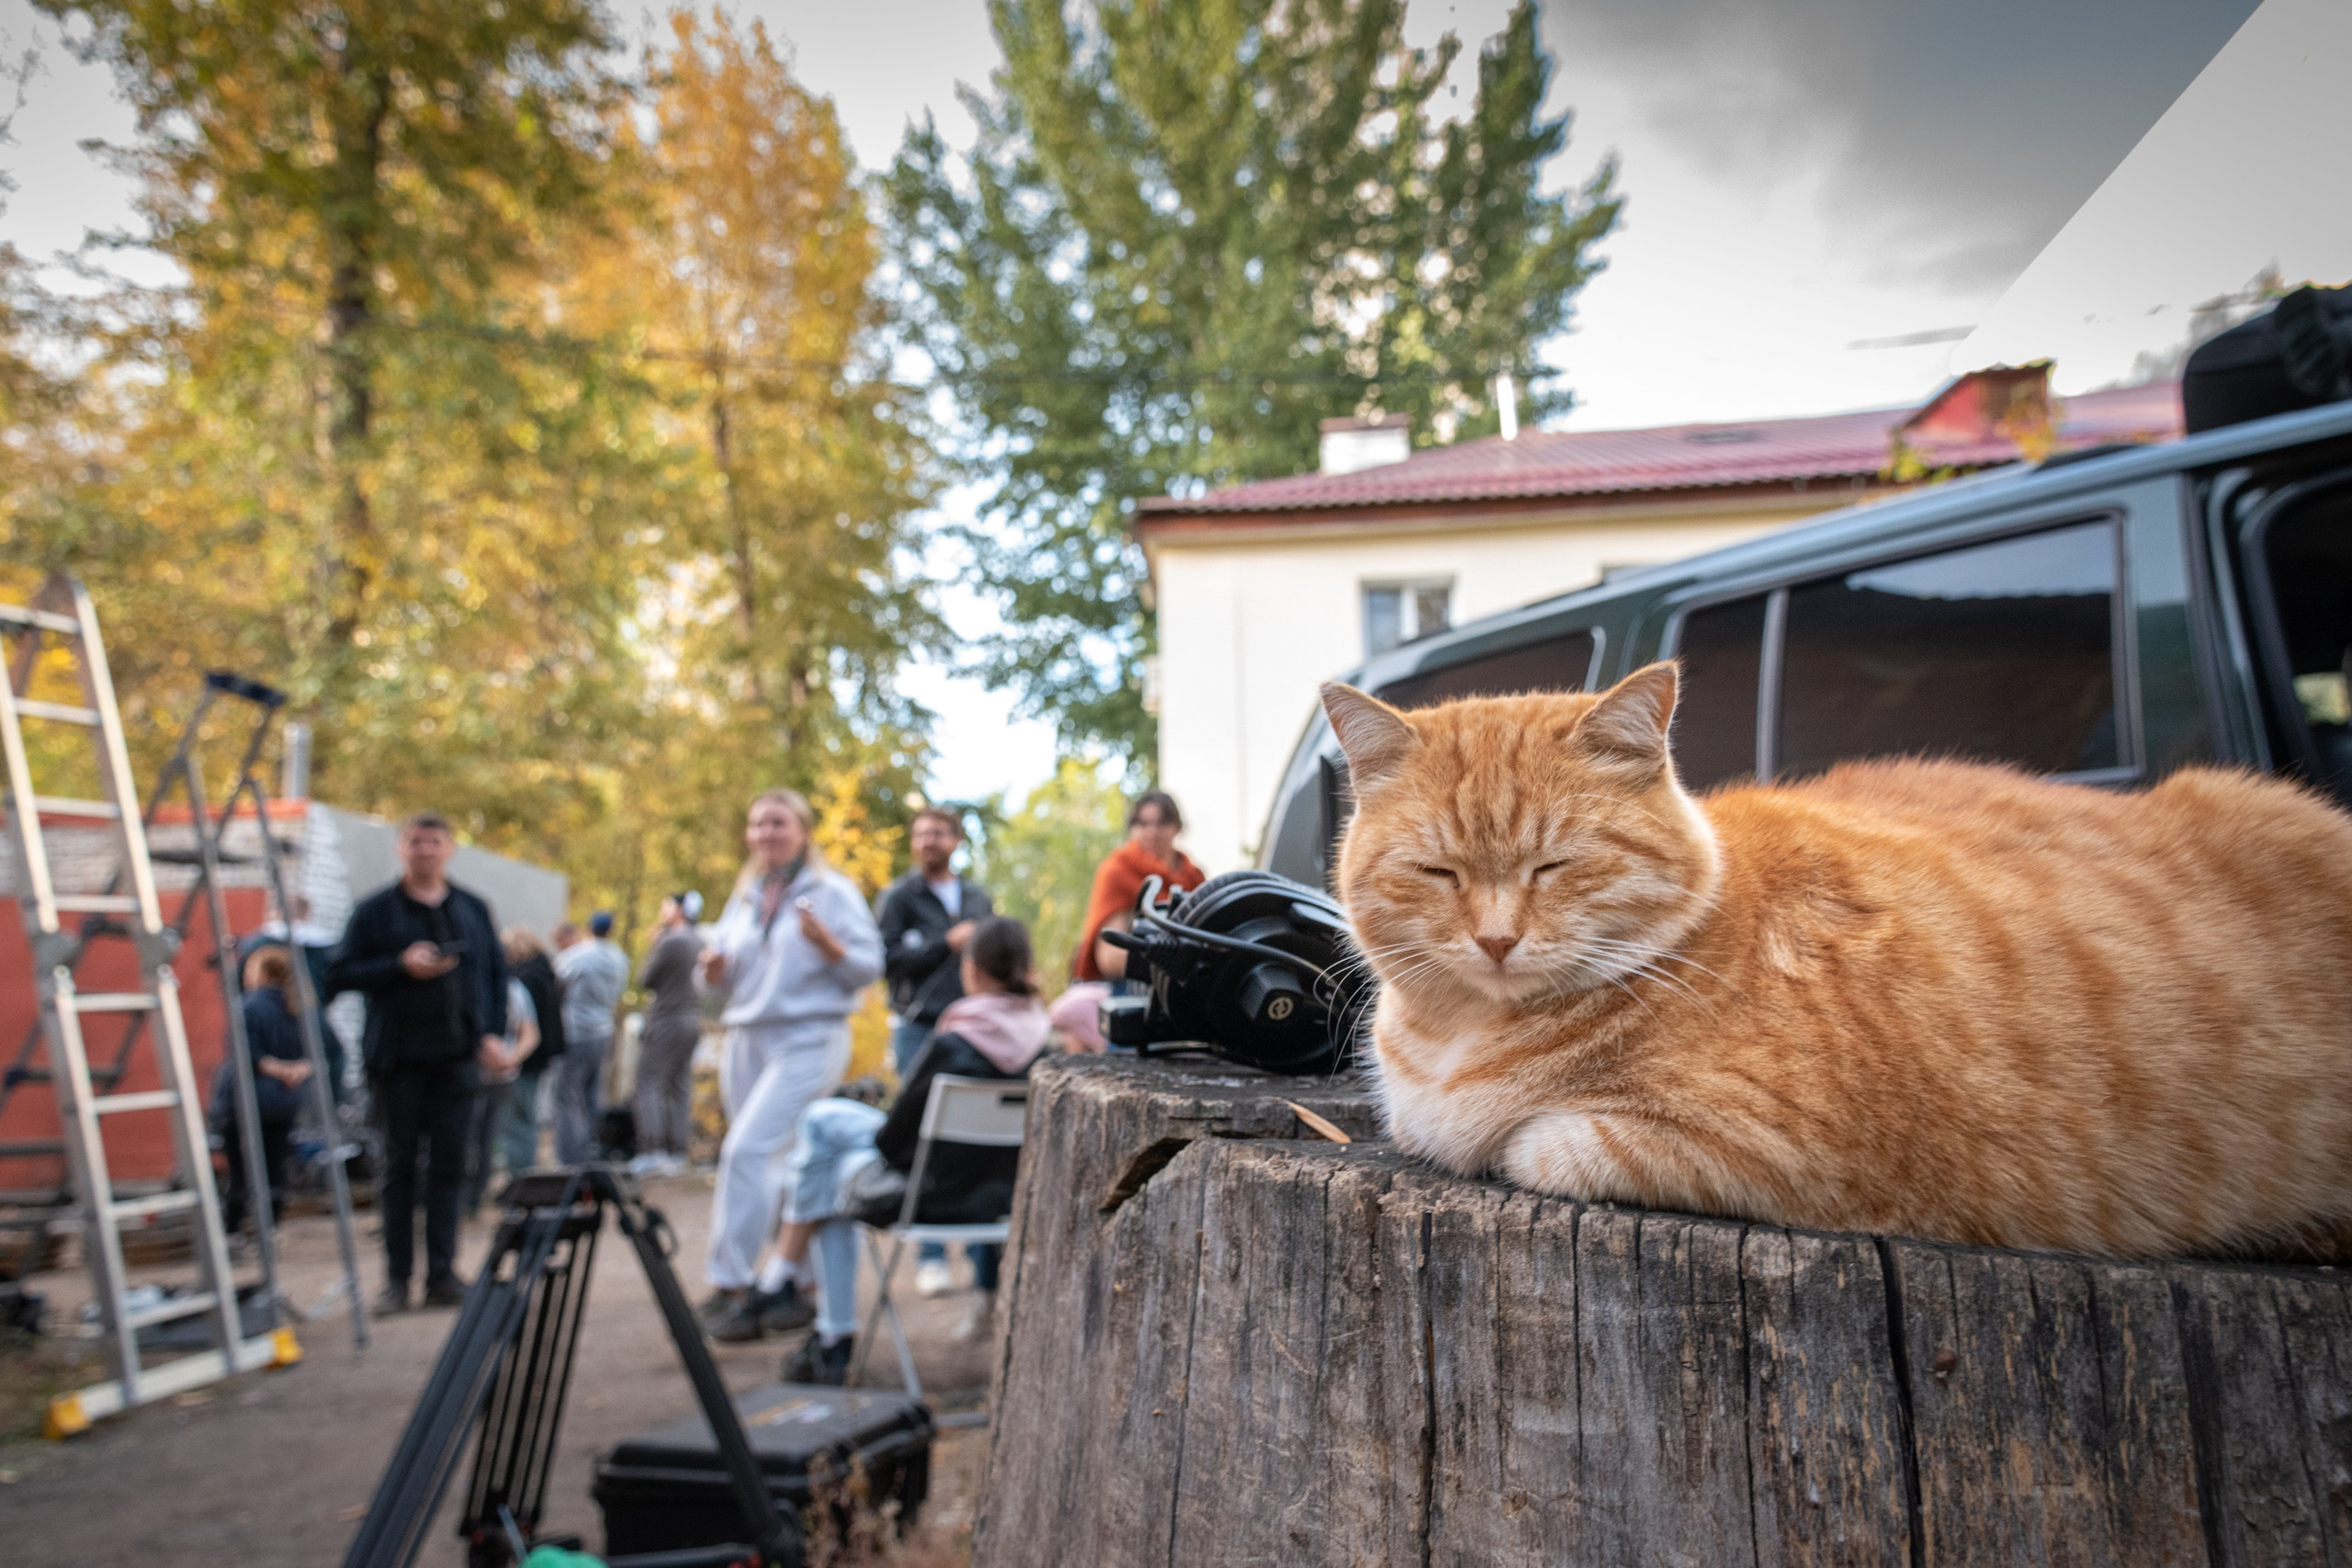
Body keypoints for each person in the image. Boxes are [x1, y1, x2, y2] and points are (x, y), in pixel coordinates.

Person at [764, 916, 1051, 1382]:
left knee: (827, 1167)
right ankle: (788, 1289)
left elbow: (893, 1145)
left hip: (930, 1198)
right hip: (1001, 1204)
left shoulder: (957, 1040)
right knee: (823, 1125)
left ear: (972, 969)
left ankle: (824, 1328)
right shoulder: (1047, 1047)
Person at [695, 787, 883, 1344]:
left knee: (746, 1151)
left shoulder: (832, 892)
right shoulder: (748, 894)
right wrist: (710, 968)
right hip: (748, 1035)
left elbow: (869, 967)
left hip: (809, 1035)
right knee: (783, 1162)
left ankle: (732, 1282)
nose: (765, 835)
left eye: (777, 824)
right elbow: (717, 981)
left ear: (802, 831)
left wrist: (829, 946)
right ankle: (798, 1288)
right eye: (757, 825)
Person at [327, 811, 507, 1314]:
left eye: (433, 842)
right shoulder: (375, 912)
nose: (424, 850)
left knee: (452, 1166)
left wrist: (490, 1034)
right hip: (397, 1062)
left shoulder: (472, 909)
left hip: (456, 1060)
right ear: (401, 849)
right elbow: (339, 974)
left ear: (449, 849)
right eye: (415, 842)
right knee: (399, 1167)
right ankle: (396, 1279)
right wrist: (399, 966)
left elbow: (493, 975)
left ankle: (443, 1274)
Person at [873, 807, 996, 1297]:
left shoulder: (977, 897)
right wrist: (945, 943)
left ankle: (979, 1256)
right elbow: (888, 961)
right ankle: (930, 1255)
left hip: (974, 1029)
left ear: (956, 840)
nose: (928, 840)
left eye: (938, 832)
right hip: (919, 1028)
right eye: (921, 833)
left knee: (974, 1135)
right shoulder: (899, 897)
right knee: (919, 1133)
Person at [212, 947, 313, 1236]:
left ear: (262, 973)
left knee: (240, 1170)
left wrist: (279, 1069)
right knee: (276, 1165)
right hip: (285, 1101)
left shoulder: (248, 1006)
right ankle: (269, 1229)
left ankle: (233, 1231)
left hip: (244, 1100)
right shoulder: (302, 1006)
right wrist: (296, 1070)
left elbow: (249, 1056)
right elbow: (326, 1049)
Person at [1073, 792, 1205, 983]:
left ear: (1176, 827)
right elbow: (1108, 957)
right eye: (1143, 824)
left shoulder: (1194, 877)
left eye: (1161, 823)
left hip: (1189, 982)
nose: (1152, 832)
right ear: (1133, 828)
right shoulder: (1117, 871)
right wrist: (1168, 966)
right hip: (1134, 983)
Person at [238, 893, 346, 1105]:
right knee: (329, 1054)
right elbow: (337, 978)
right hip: (310, 1010)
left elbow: (240, 979)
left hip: (266, 1013)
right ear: (307, 913)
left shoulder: (260, 942)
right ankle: (329, 1109)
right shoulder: (324, 946)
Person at [631, 891, 705, 1179]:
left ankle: (651, 1151)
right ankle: (677, 1151)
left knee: (649, 1083)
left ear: (677, 909)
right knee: (679, 1084)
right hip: (693, 1019)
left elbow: (645, 980)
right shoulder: (700, 940)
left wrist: (655, 942)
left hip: (667, 1019)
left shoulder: (671, 940)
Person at [552, 909, 628, 1164]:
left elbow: (555, 983)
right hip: (604, 1031)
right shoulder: (619, 958)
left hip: (576, 1033)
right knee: (592, 1095)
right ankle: (592, 1149)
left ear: (589, 927)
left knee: (566, 1095)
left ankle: (569, 1158)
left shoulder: (578, 956)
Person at [500, 928, 567, 1177]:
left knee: (521, 1120)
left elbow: (526, 1025)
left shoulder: (524, 978)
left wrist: (515, 1055)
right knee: (526, 1116)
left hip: (524, 1057)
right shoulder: (545, 972)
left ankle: (520, 1177)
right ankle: (522, 1175)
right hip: (539, 1055)